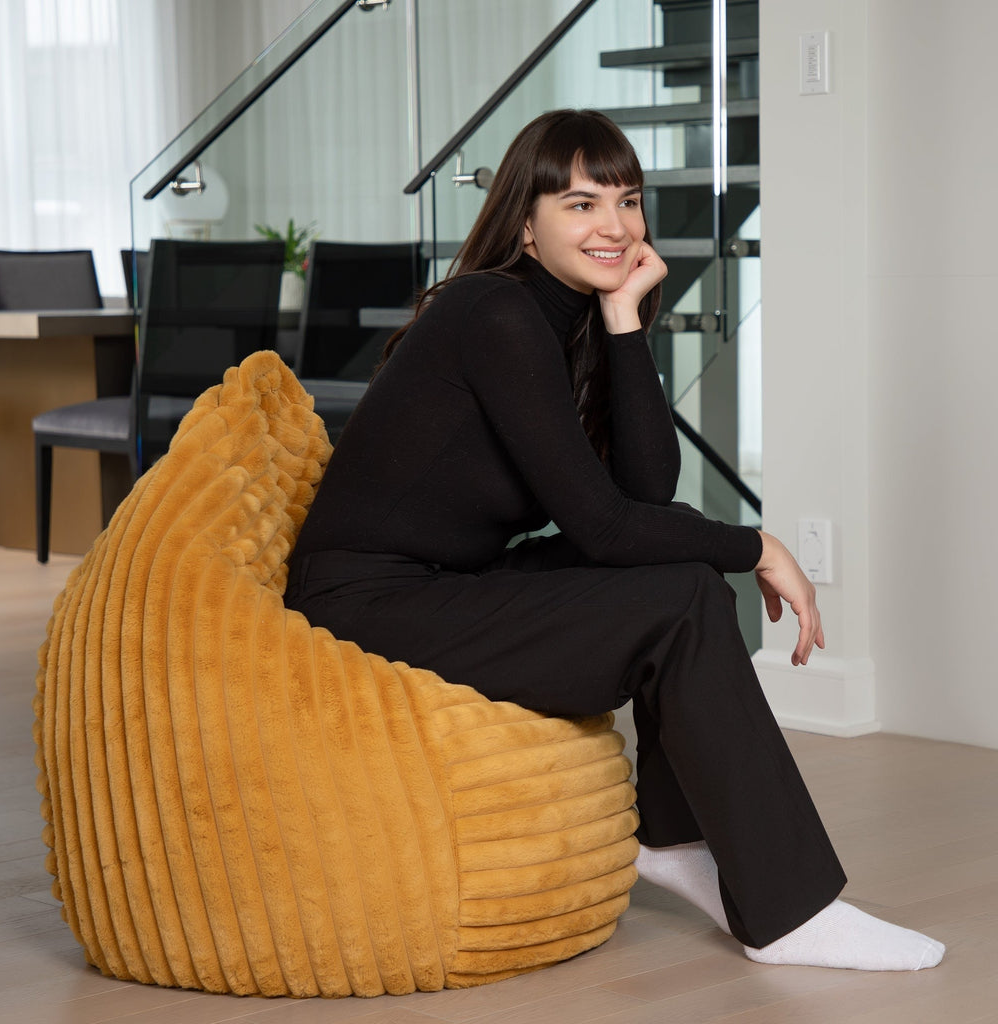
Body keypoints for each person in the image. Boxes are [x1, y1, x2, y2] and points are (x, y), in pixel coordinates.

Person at [285, 109, 944, 972]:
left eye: (627, 202)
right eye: (581, 204)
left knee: (682, 574)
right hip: (370, 604)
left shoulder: (566, 323)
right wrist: (757, 546)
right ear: (526, 222)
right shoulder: (493, 312)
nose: (615, 226)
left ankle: (676, 847)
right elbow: (600, 525)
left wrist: (628, 316)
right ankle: (791, 912)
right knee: (684, 584)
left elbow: (644, 492)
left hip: (453, 583)